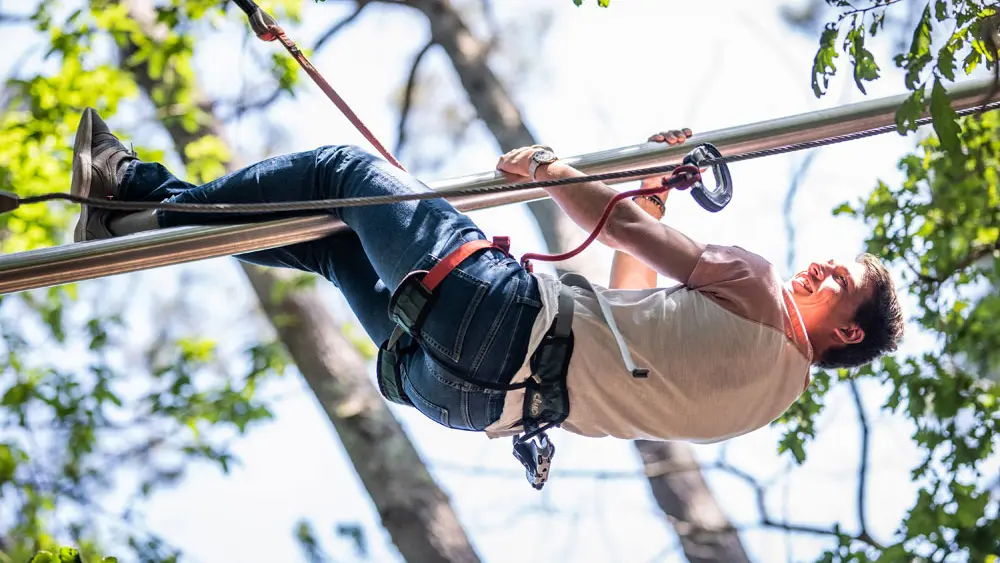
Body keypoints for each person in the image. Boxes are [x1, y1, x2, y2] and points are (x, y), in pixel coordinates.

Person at [71, 107, 903, 448]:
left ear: (848, 330)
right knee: (331, 241)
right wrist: (643, 195)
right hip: (468, 395)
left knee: (341, 170)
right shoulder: (759, 406)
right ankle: (138, 214)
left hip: (496, 316)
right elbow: (618, 311)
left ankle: (138, 196)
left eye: (845, 278)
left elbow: (613, 229)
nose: (825, 263)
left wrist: (548, 167)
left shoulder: (756, 286)